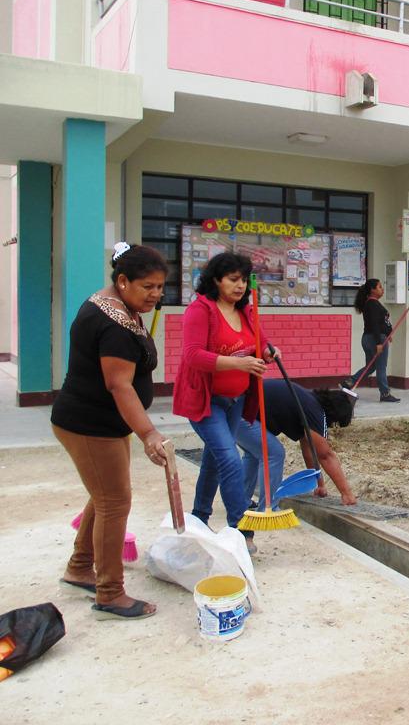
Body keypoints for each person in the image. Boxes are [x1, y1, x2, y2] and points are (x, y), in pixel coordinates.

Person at [51, 243, 168, 620]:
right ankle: (109, 593)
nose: (155, 295)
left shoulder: (117, 307)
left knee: (103, 496)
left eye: (160, 287)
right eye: (147, 286)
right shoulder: (111, 324)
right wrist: (148, 433)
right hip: (89, 424)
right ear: (122, 281)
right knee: (114, 503)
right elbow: (120, 385)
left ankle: (80, 566)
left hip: (106, 422)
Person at [173, 252, 273, 554]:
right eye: (233, 279)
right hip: (207, 402)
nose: (239, 285)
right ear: (216, 280)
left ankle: (199, 519)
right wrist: (239, 365)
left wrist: (270, 351)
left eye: (243, 279)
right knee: (229, 459)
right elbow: (193, 356)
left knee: (214, 461)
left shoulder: (245, 312)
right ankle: (241, 531)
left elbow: (262, 345)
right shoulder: (200, 311)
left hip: (236, 401)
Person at [237, 380, 358, 508]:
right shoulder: (315, 412)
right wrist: (347, 493)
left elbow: (309, 452)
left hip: (237, 409)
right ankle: (268, 508)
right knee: (274, 454)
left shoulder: (308, 402)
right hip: (242, 414)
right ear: (333, 415)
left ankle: (240, 503)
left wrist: (319, 484)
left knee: (253, 455)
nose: (331, 427)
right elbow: (326, 456)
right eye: (334, 424)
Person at [349, 278, 400, 403]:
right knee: (381, 367)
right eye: (379, 287)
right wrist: (379, 342)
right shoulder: (372, 304)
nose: (382, 289)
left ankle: (349, 382)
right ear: (372, 290)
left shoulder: (372, 303)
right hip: (375, 339)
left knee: (370, 367)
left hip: (370, 338)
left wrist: (388, 333)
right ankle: (385, 393)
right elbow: (375, 325)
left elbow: (381, 323)